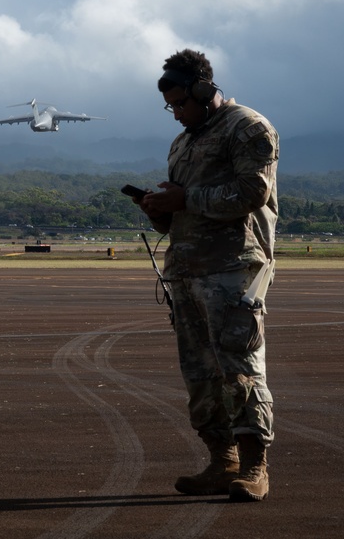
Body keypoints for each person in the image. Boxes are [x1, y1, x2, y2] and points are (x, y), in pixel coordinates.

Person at [133, 48, 278, 502]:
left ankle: (256, 467)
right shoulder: (184, 142)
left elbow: (252, 192)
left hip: (232, 269)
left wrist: (186, 199)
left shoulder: (248, 128)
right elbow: (182, 209)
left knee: (239, 369)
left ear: (204, 90)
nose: (176, 114)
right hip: (187, 272)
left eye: (181, 104)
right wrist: (159, 209)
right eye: (170, 107)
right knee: (200, 376)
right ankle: (222, 461)